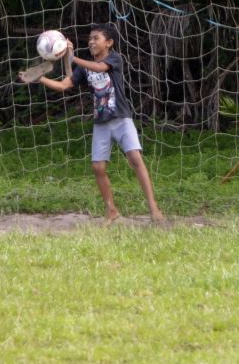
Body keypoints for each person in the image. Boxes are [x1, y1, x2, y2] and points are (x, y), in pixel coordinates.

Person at [20, 23, 164, 224]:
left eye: (96, 38)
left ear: (109, 43)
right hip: (101, 122)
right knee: (97, 167)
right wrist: (39, 78)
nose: (91, 41)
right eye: (90, 38)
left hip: (121, 118)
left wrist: (72, 58)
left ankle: (153, 207)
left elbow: (100, 67)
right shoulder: (83, 68)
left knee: (134, 157)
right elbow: (64, 85)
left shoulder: (114, 59)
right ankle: (111, 211)